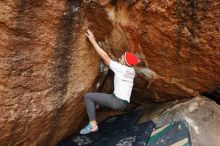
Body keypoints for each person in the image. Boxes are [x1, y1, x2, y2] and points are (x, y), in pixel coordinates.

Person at [80, 29, 140, 134]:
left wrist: (93, 41)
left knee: (88, 97)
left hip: (116, 101)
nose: (120, 57)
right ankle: (99, 105)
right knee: (106, 95)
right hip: (123, 103)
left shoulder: (121, 69)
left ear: (125, 62)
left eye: (122, 57)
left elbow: (106, 58)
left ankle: (93, 124)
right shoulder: (132, 71)